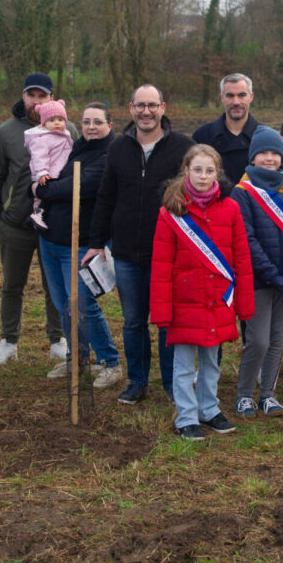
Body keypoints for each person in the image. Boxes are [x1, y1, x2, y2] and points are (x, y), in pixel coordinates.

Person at [84, 84, 193, 404]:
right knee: (133, 321)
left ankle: (173, 384)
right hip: (127, 253)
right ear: (130, 108)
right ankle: (137, 381)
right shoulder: (118, 148)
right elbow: (105, 197)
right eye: (140, 105)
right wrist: (95, 243)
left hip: (168, 253)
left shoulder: (183, 147)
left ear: (163, 107)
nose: (146, 111)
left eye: (152, 105)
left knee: (166, 321)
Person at [150, 145, 255, 441]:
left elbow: (241, 259)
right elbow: (160, 265)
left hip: (218, 299)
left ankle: (209, 409)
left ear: (217, 173)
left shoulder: (231, 208)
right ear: (186, 171)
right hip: (185, 301)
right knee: (183, 365)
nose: (203, 176)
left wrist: (244, 305)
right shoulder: (170, 212)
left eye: (209, 171)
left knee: (212, 360)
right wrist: (161, 310)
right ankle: (186, 416)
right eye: (197, 170)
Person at [0, 73, 72, 366]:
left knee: (54, 285)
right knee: (12, 284)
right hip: (15, 224)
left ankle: (57, 339)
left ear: (51, 98)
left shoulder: (67, 129)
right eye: (31, 95)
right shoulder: (8, 131)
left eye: (42, 96)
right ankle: (8, 341)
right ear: (23, 97)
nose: (36, 102)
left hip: (54, 224)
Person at [35, 103, 122, 388]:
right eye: (86, 122)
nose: (91, 127)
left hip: (82, 241)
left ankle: (110, 361)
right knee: (63, 304)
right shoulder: (75, 146)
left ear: (110, 124)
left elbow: (77, 186)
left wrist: (41, 188)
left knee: (81, 303)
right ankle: (78, 357)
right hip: (51, 240)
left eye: (98, 122)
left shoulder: (111, 154)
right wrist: (39, 184)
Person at [231, 127, 283, 418]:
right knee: (258, 340)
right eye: (263, 153)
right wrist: (275, 275)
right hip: (258, 280)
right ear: (253, 156)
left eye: (275, 153)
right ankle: (243, 395)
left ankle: (267, 394)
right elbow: (247, 240)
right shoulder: (242, 193)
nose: (269, 158)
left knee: (277, 338)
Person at [192, 73, 262, 184]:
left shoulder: (265, 137)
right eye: (230, 96)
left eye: (241, 95)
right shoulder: (202, 136)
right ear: (222, 98)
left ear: (251, 97)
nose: (236, 102)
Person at [24, 100, 74, 231]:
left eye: (60, 119)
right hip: (48, 173)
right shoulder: (41, 139)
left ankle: (40, 216)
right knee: (43, 197)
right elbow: (39, 156)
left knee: (52, 198)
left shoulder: (64, 134)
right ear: (44, 123)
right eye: (52, 120)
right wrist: (42, 172)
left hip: (59, 172)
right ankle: (37, 214)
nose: (57, 123)